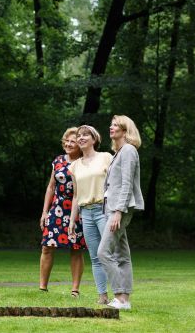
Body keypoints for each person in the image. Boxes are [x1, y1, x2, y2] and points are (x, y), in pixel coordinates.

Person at [99, 115, 145, 310]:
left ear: (126, 131)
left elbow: (127, 183)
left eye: (116, 125)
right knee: (122, 254)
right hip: (113, 208)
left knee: (103, 252)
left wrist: (118, 211)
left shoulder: (128, 151)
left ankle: (119, 297)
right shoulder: (120, 152)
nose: (111, 127)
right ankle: (124, 300)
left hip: (119, 208)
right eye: (111, 124)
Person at [68, 124, 113, 305]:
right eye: (79, 135)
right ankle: (102, 296)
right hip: (86, 213)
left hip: (104, 210)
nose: (81, 137)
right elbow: (76, 195)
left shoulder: (106, 158)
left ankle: (120, 294)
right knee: (95, 257)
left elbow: (114, 184)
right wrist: (73, 220)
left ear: (94, 139)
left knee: (109, 253)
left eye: (86, 135)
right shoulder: (74, 166)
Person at [39, 127, 86, 297]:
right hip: (56, 209)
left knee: (76, 248)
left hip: (77, 209)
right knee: (47, 247)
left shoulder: (84, 162)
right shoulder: (58, 160)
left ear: (80, 145)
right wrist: (45, 212)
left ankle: (75, 289)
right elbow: (51, 187)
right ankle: (42, 288)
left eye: (72, 141)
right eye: (66, 140)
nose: (68, 143)